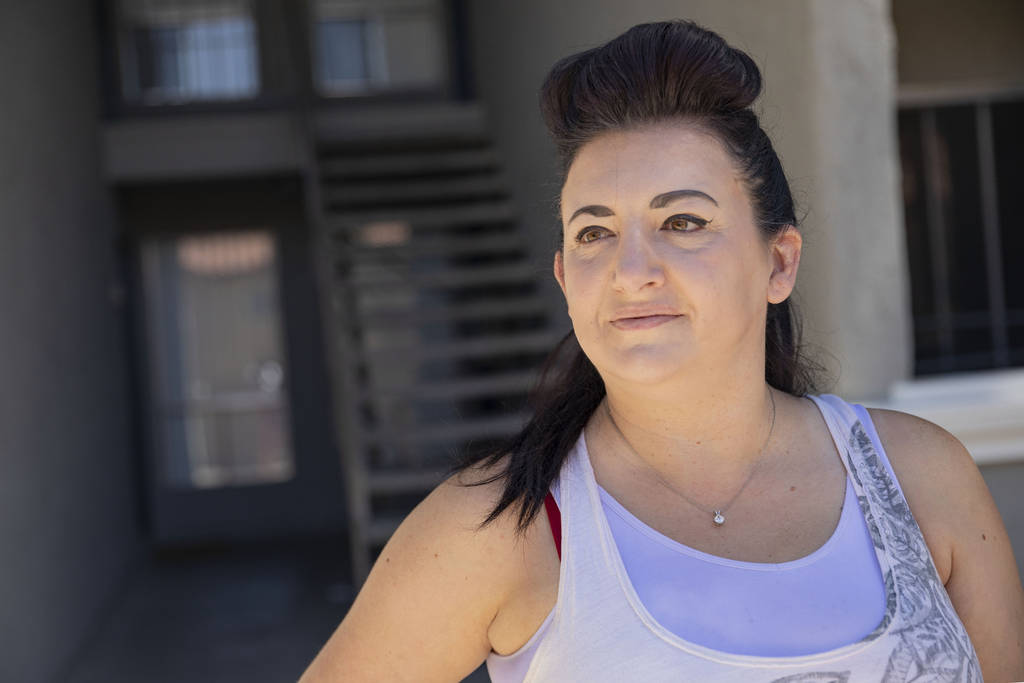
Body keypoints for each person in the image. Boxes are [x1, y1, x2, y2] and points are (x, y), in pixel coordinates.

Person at [299, 20, 1024, 682]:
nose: (631, 270)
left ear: (779, 263)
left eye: (682, 221)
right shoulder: (501, 528)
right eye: (594, 232)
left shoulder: (920, 477)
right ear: (565, 279)